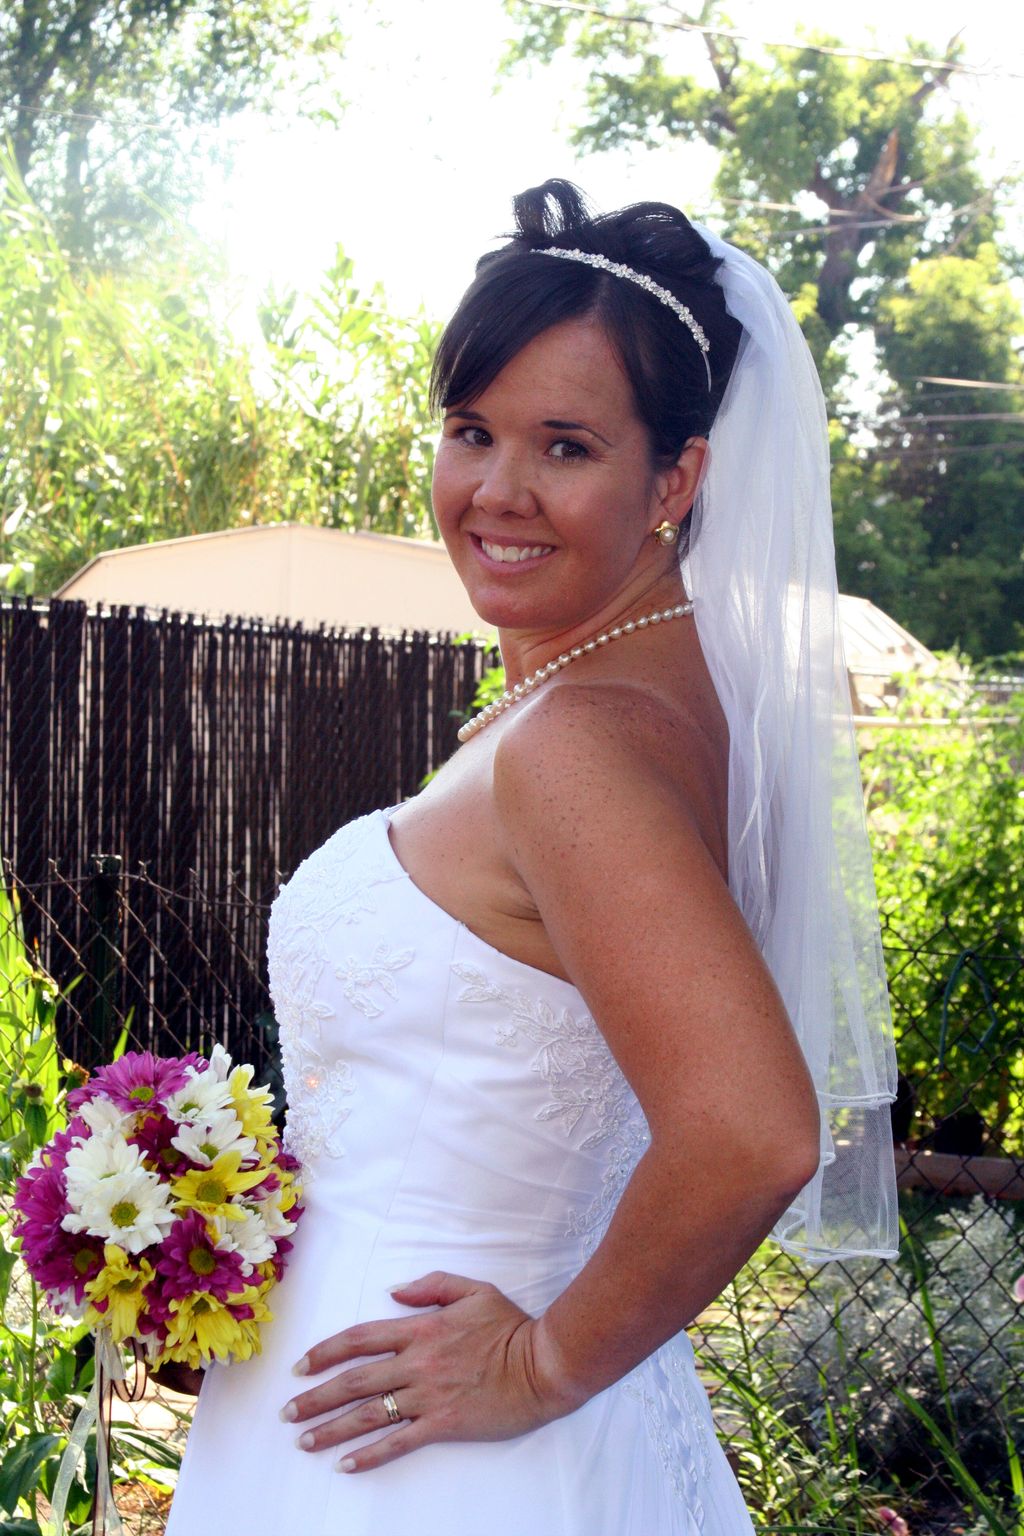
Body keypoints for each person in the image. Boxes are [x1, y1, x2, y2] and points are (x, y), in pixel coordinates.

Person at [164, 179, 898, 1535]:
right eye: (471, 430)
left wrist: (545, 1363)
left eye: (566, 446)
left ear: (677, 477)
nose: (497, 491)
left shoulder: (579, 745)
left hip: (434, 1458)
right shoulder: (640, 703)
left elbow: (754, 1131)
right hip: (408, 1409)